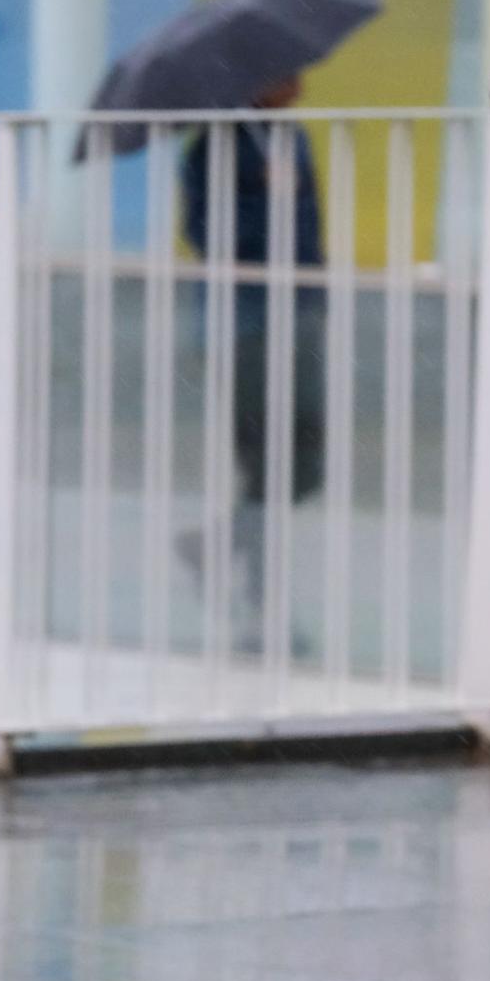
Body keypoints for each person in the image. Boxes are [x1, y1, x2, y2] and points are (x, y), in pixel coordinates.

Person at [176, 75, 326, 639]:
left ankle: (210, 547)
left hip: (298, 314)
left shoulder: (293, 138)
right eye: (286, 71)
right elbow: (203, 230)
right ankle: (262, 608)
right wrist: (268, 200)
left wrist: (317, 297)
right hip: (244, 322)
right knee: (266, 462)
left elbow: (310, 229)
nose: (299, 82)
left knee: (303, 465)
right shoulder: (217, 143)